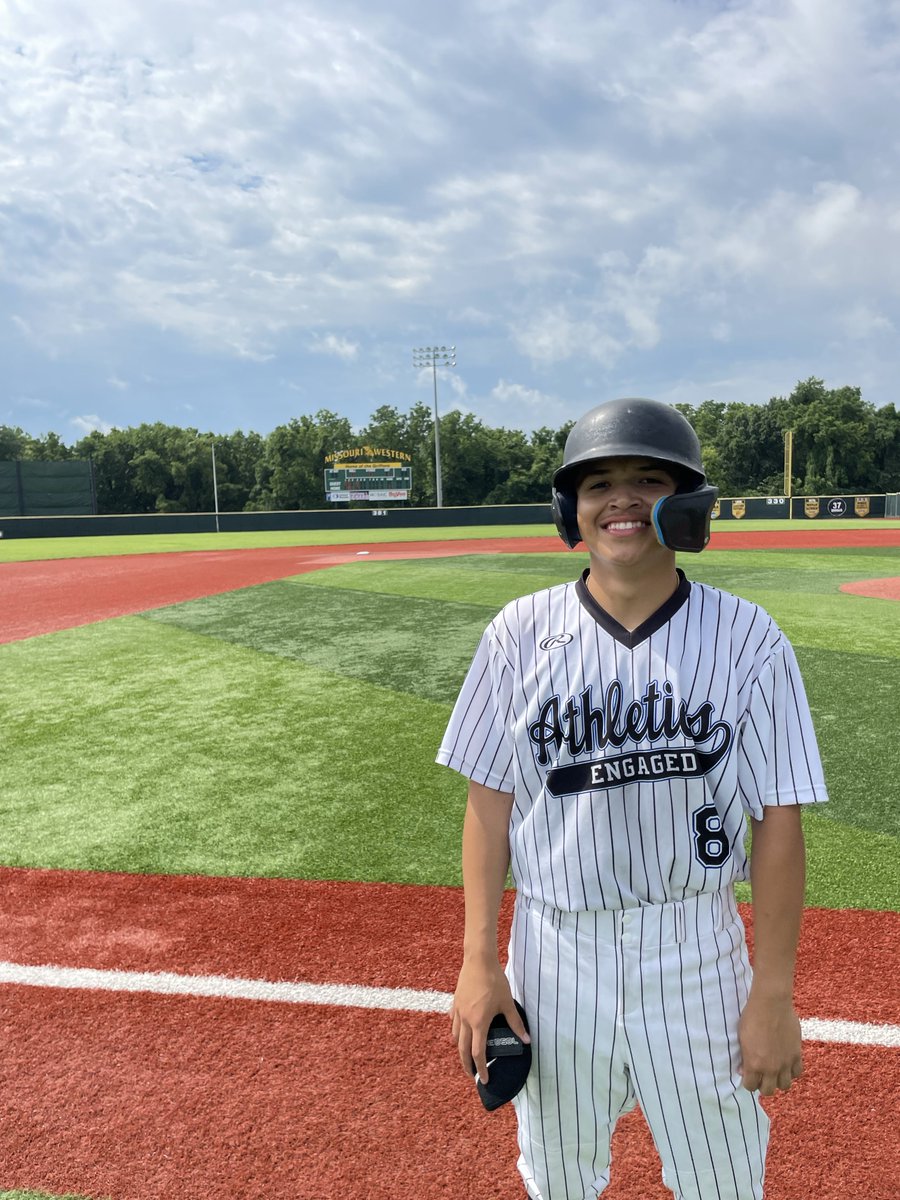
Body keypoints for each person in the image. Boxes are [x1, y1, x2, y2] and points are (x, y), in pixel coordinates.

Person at [436, 398, 828, 1200]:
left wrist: (774, 994)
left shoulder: (748, 638)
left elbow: (778, 822)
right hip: (553, 950)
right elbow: (489, 805)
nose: (621, 499)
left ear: (688, 503)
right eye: (598, 484)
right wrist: (478, 961)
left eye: (648, 479)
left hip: (694, 948)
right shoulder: (517, 634)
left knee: (724, 1181)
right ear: (569, 511)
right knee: (558, 1178)